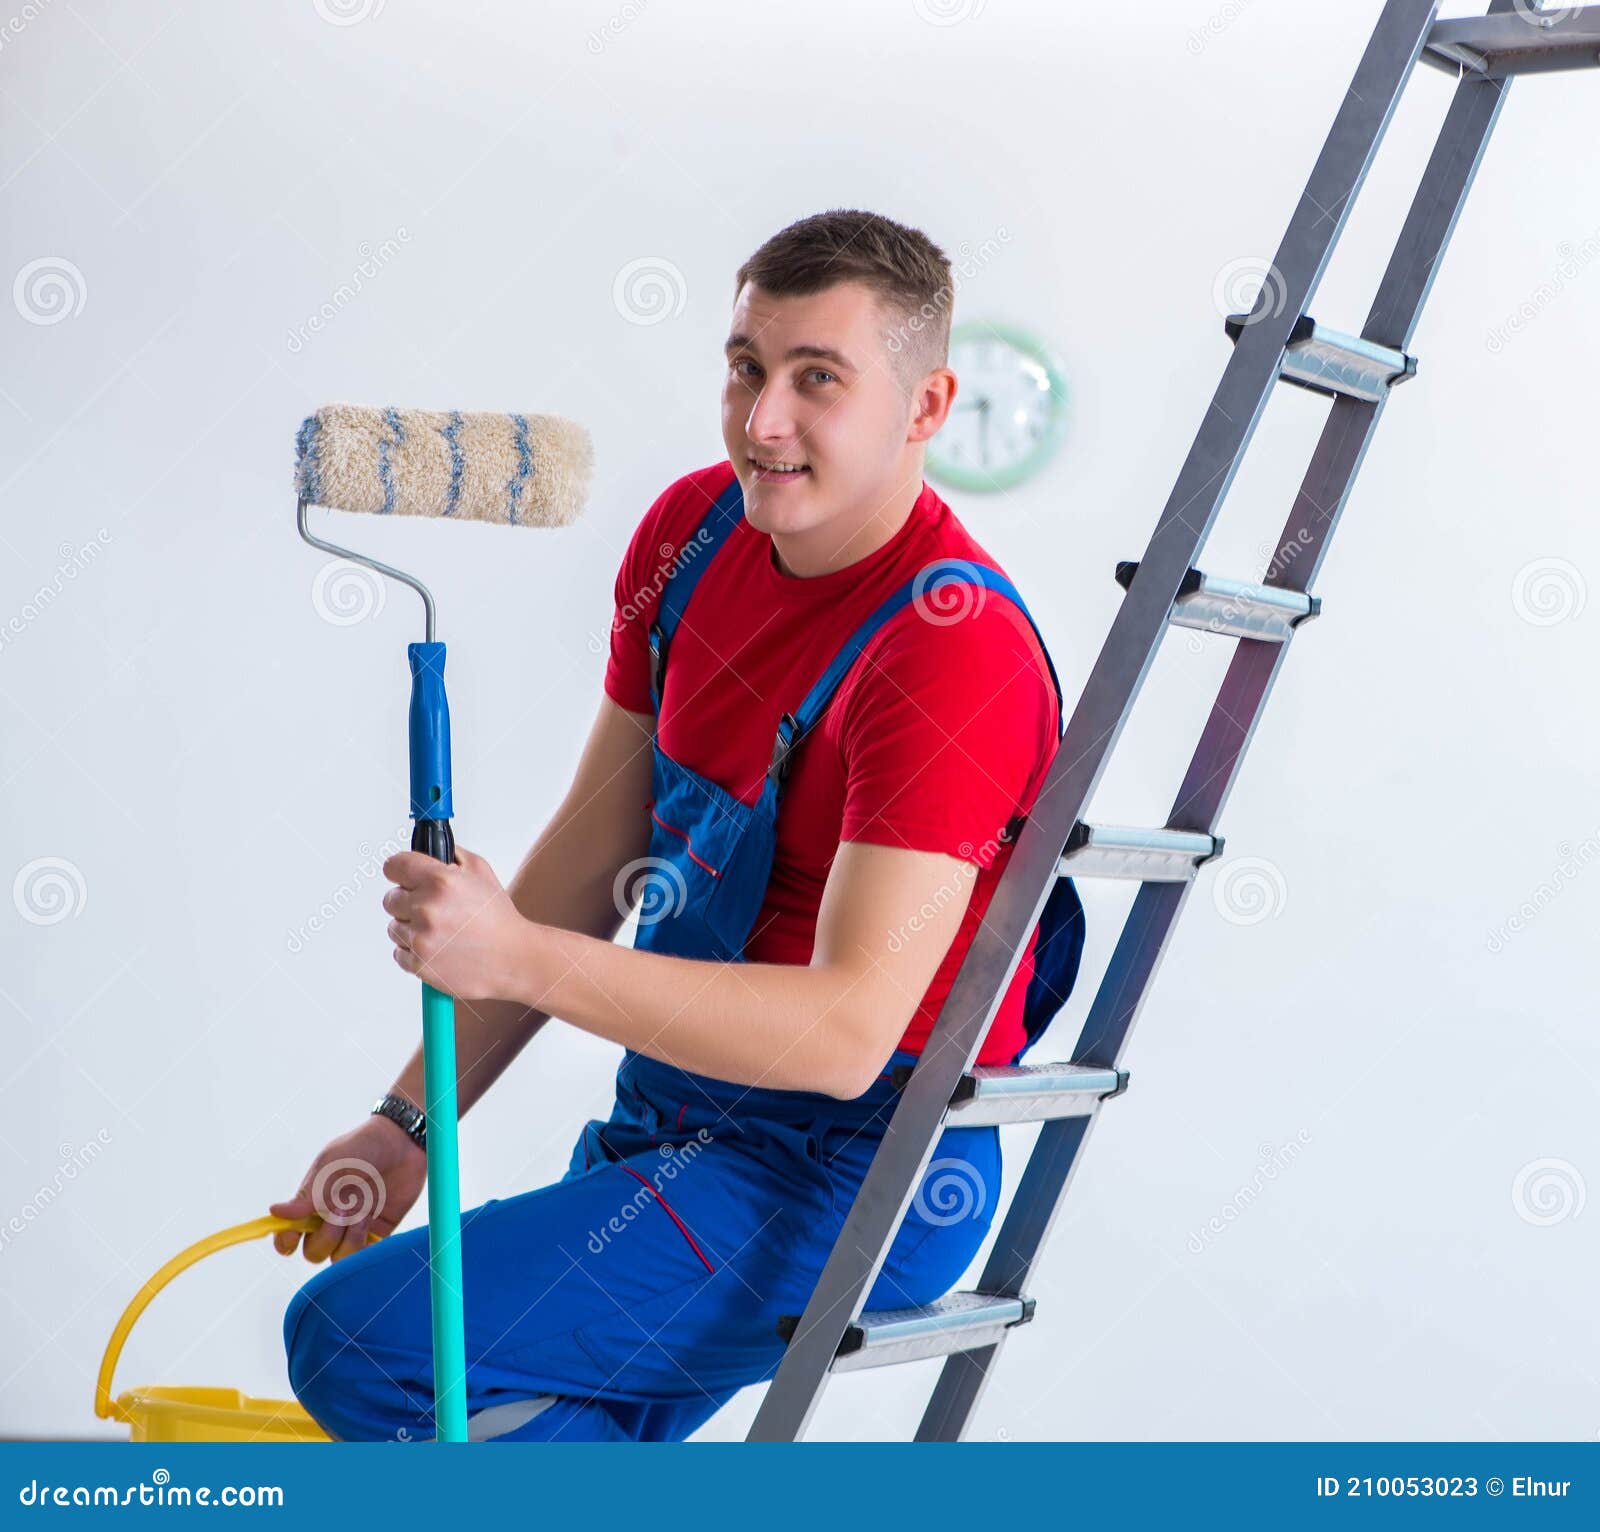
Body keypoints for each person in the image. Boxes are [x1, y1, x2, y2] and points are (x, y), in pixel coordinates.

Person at [273, 208, 1082, 1443]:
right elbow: (593, 863)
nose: (764, 420)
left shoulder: (948, 648)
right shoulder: (694, 537)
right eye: (747, 367)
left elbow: (847, 1030)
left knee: (363, 1340)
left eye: (819, 380)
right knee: (505, 1421)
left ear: (924, 410)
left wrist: (516, 955)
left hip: (848, 1173)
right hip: (676, 1125)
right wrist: (408, 1122)